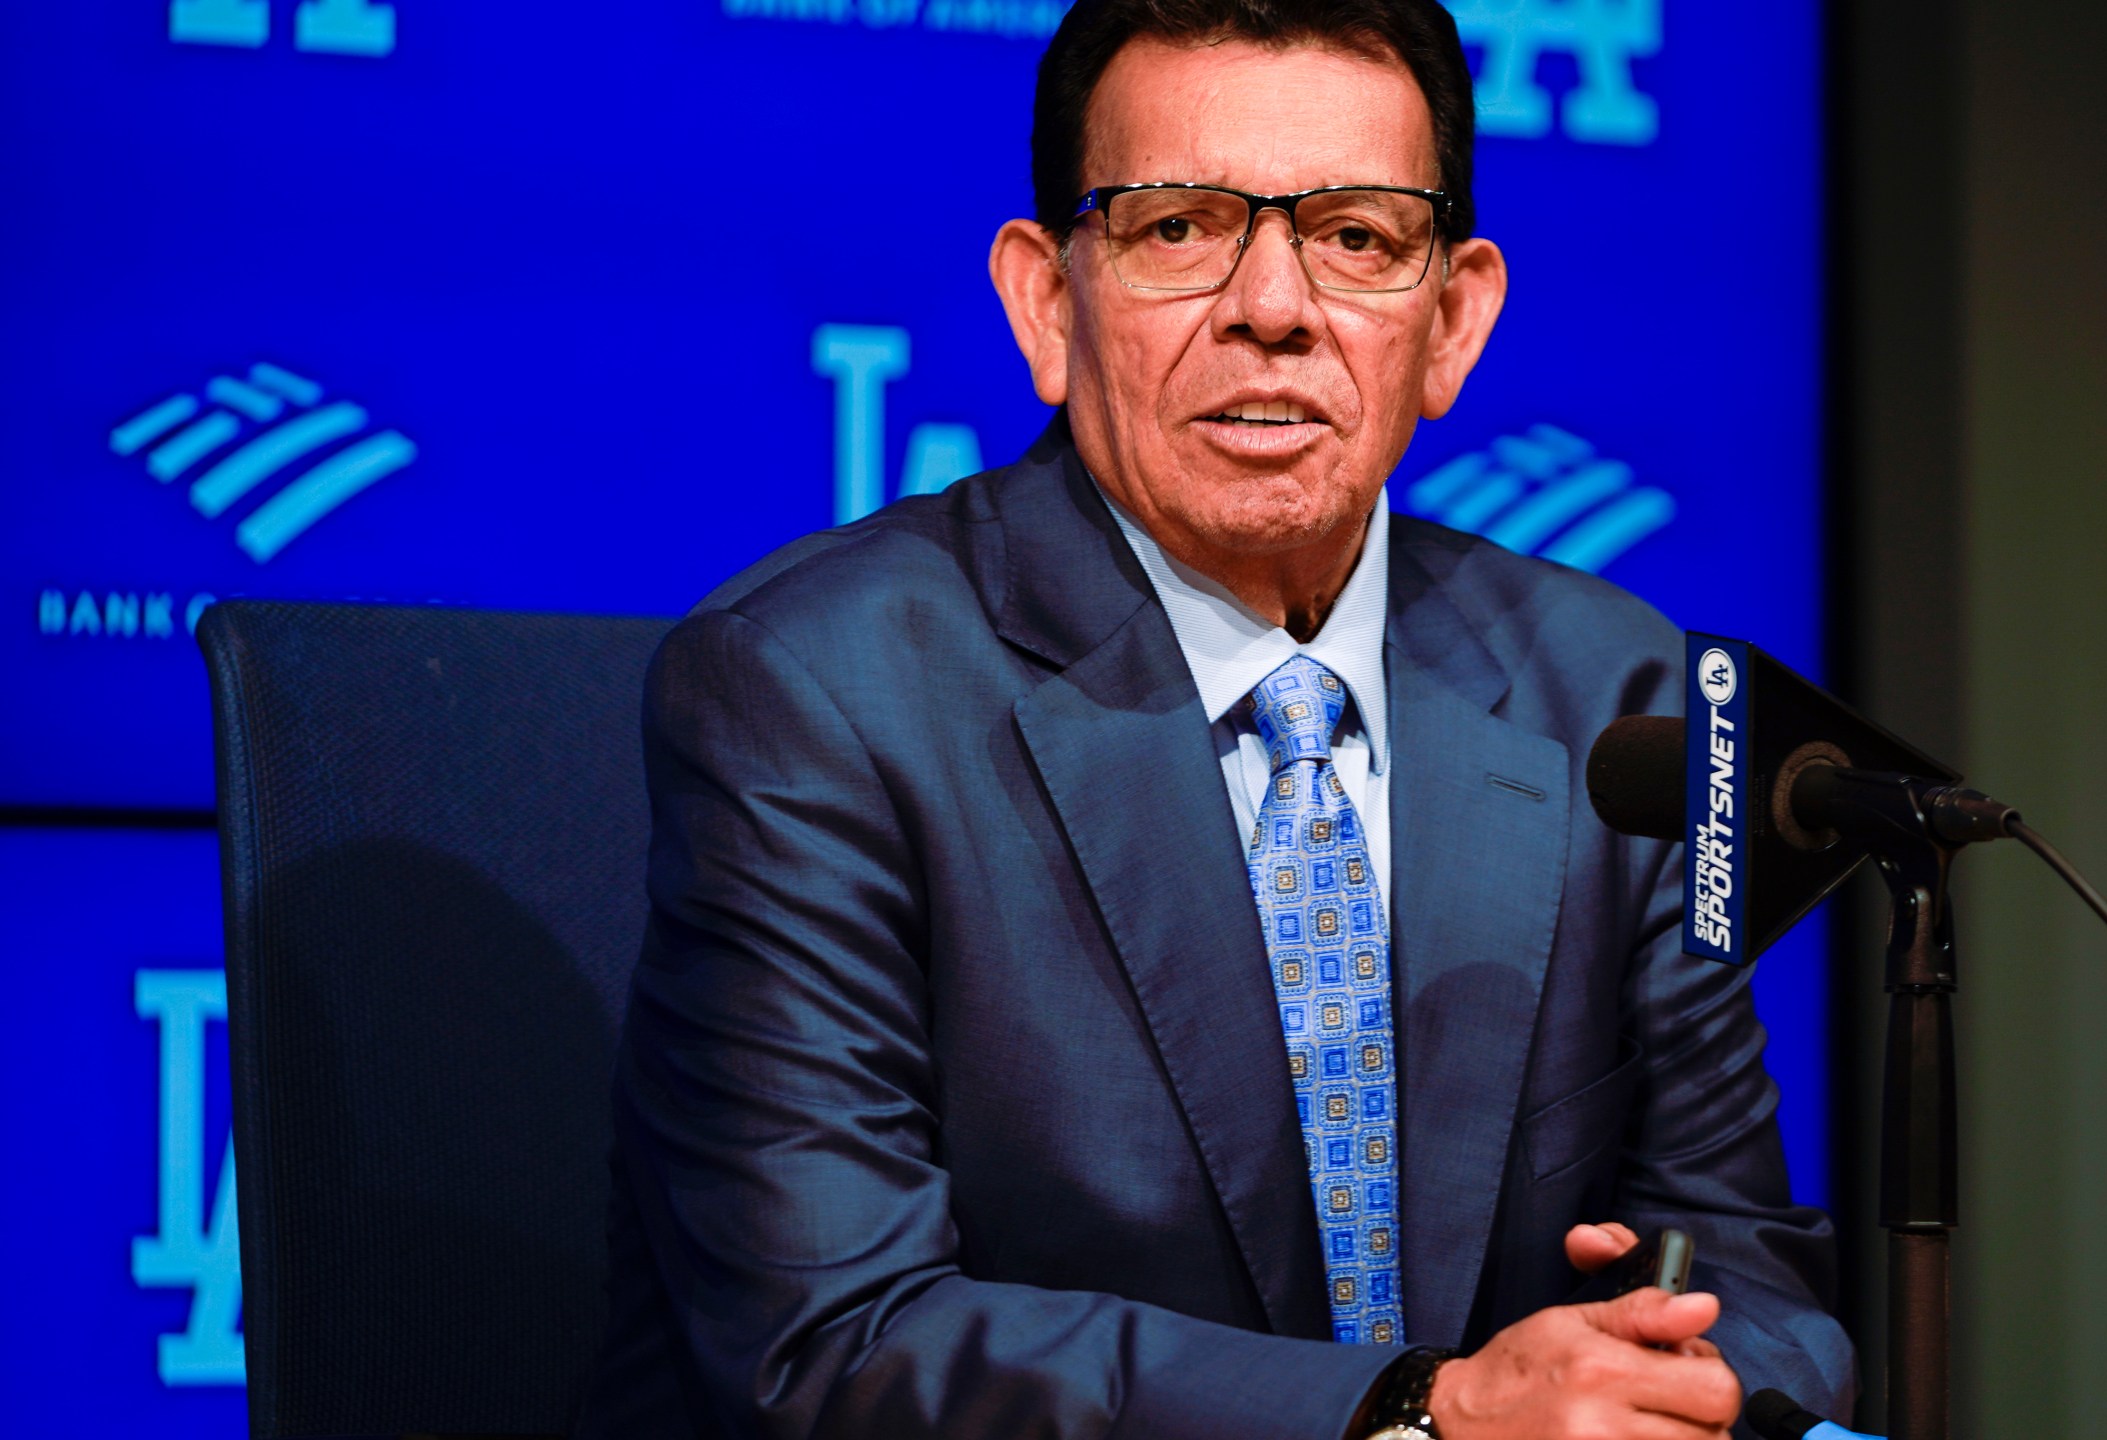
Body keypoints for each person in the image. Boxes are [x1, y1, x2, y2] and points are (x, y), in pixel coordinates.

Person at [580, 2, 1854, 1436]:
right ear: (1046, 305)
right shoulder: (817, 689)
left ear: (1453, 322)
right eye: (1180, 227)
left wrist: (1670, 1371)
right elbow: (834, 1343)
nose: (1272, 305)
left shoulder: (1606, 692)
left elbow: (1747, 1266)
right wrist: (1426, 1415)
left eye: (1359, 238)